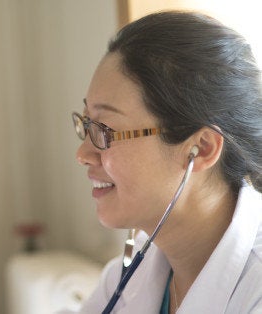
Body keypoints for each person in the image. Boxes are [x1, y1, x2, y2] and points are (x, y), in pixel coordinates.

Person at [71, 11, 262, 313]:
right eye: (87, 124)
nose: (82, 154)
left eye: (104, 129)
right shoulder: (127, 279)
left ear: (200, 148)